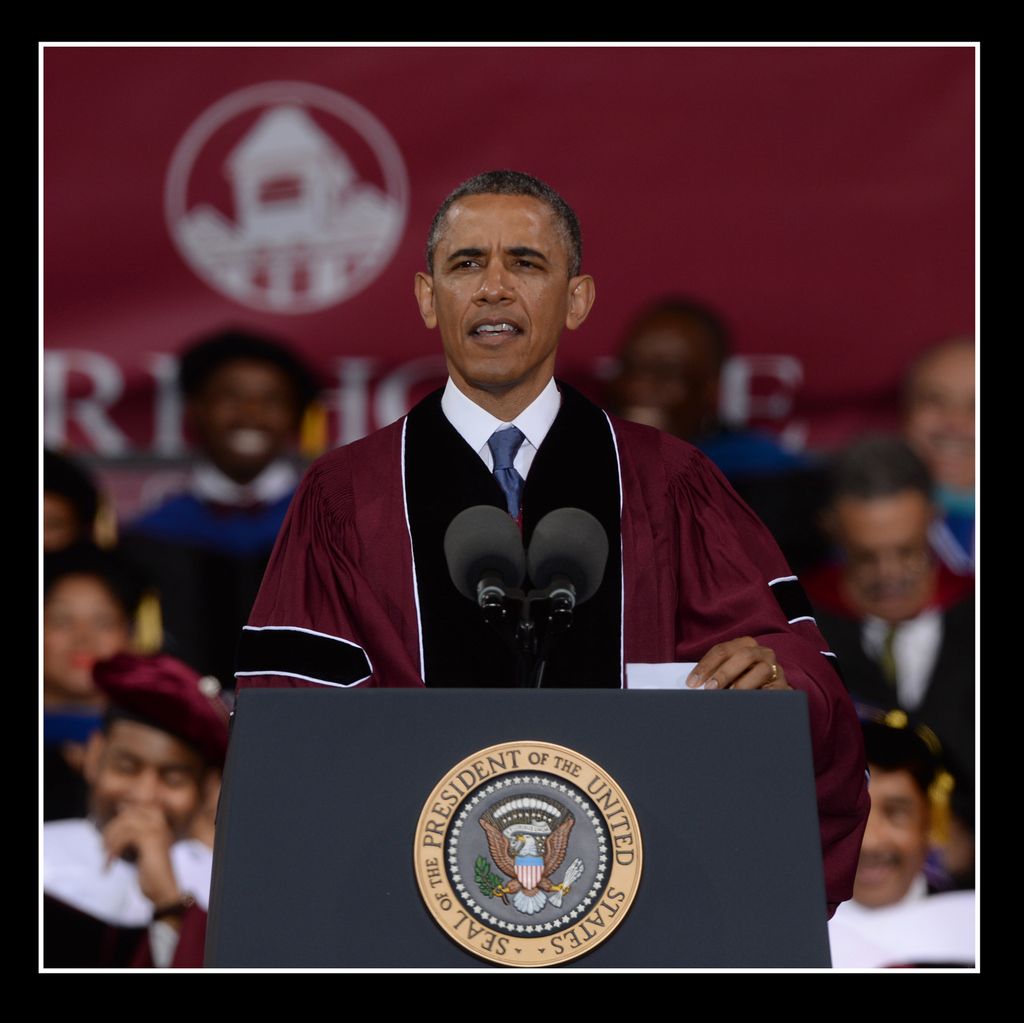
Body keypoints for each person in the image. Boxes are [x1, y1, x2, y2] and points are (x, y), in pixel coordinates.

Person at [236, 170, 868, 917]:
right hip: (410, 914)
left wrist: (775, 683)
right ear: (428, 296)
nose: (494, 288)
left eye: (526, 263)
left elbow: (793, 668)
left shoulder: (668, 482)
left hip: (645, 909)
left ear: (577, 299)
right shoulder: (346, 496)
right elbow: (292, 729)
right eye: (467, 263)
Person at [121, 329, 319, 687]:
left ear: (295, 417)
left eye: (272, 399)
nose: (251, 413)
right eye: (230, 396)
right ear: (194, 409)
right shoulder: (148, 539)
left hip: (305, 714)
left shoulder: (328, 531)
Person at [604, 298, 829, 572]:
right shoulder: (586, 464)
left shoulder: (770, 481)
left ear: (711, 388)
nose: (638, 388)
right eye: (630, 368)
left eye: (666, 373)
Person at [806, 436, 974, 786]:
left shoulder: (971, 611)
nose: (889, 573)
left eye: (907, 551)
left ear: (933, 517)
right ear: (831, 528)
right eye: (866, 556)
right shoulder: (800, 627)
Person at [43, 652, 229, 968]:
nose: (144, 796)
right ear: (94, 756)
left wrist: (170, 902)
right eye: (126, 768)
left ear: (209, 788)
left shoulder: (224, 892)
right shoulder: (46, 858)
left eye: (173, 779)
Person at [827, 711, 975, 968]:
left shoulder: (968, 935)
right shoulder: (790, 939)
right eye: (854, 813)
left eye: (896, 813)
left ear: (931, 821)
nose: (870, 842)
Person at [43, 543, 146, 821]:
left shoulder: (159, 743)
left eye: (103, 622)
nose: (83, 639)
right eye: (62, 621)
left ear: (132, 637)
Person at [902, 339, 975, 575]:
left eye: (976, 406)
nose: (955, 423)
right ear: (906, 411)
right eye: (934, 400)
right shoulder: (851, 524)